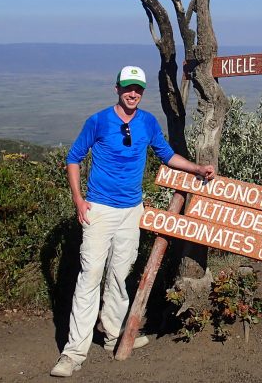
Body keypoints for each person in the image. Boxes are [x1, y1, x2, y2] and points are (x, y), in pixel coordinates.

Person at [51, 66, 214, 378]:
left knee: (120, 274)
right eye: (128, 87)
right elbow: (74, 157)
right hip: (99, 209)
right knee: (89, 278)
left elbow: (166, 155)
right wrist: (78, 199)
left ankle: (113, 334)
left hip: (131, 211)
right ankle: (73, 353)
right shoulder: (98, 121)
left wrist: (195, 168)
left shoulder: (148, 122)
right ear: (117, 89)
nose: (133, 93)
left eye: (138, 88)